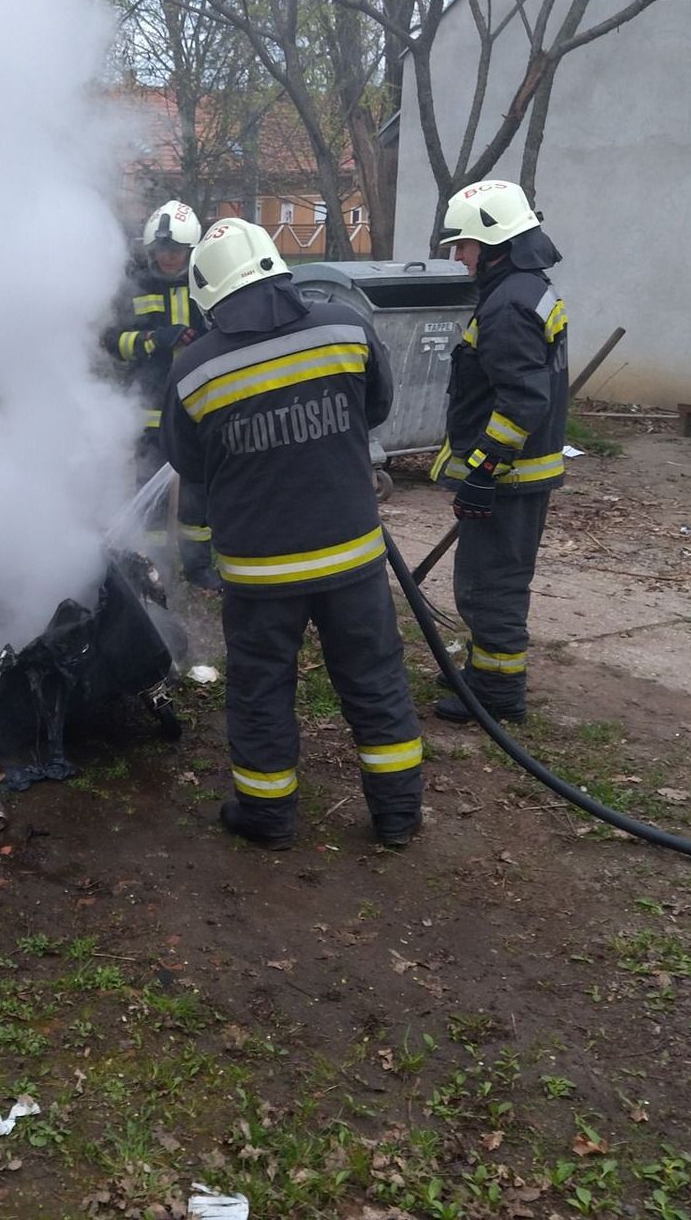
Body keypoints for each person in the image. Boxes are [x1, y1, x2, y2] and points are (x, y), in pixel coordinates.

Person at [160, 218, 424, 848]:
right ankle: (397, 818)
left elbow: (190, 466)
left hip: (260, 572)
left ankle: (268, 819)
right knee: (374, 681)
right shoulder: (345, 326)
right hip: (351, 557)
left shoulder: (194, 369)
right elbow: (376, 407)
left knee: (261, 693)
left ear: (209, 292)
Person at [428, 179, 570, 726]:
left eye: (463, 246)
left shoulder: (508, 306)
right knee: (488, 580)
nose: (459, 257)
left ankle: (498, 693)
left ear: (494, 244)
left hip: (508, 478)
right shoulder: (526, 289)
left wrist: (484, 469)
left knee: (491, 586)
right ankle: (485, 672)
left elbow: (522, 400)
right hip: (520, 474)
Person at [102, 200, 212, 582]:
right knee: (150, 487)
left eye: (177, 250)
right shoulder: (135, 286)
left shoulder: (207, 280)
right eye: (163, 250)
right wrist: (153, 339)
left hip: (198, 401)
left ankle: (198, 566)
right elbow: (113, 342)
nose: (169, 257)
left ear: (190, 250)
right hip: (149, 404)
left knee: (199, 488)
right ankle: (152, 568)